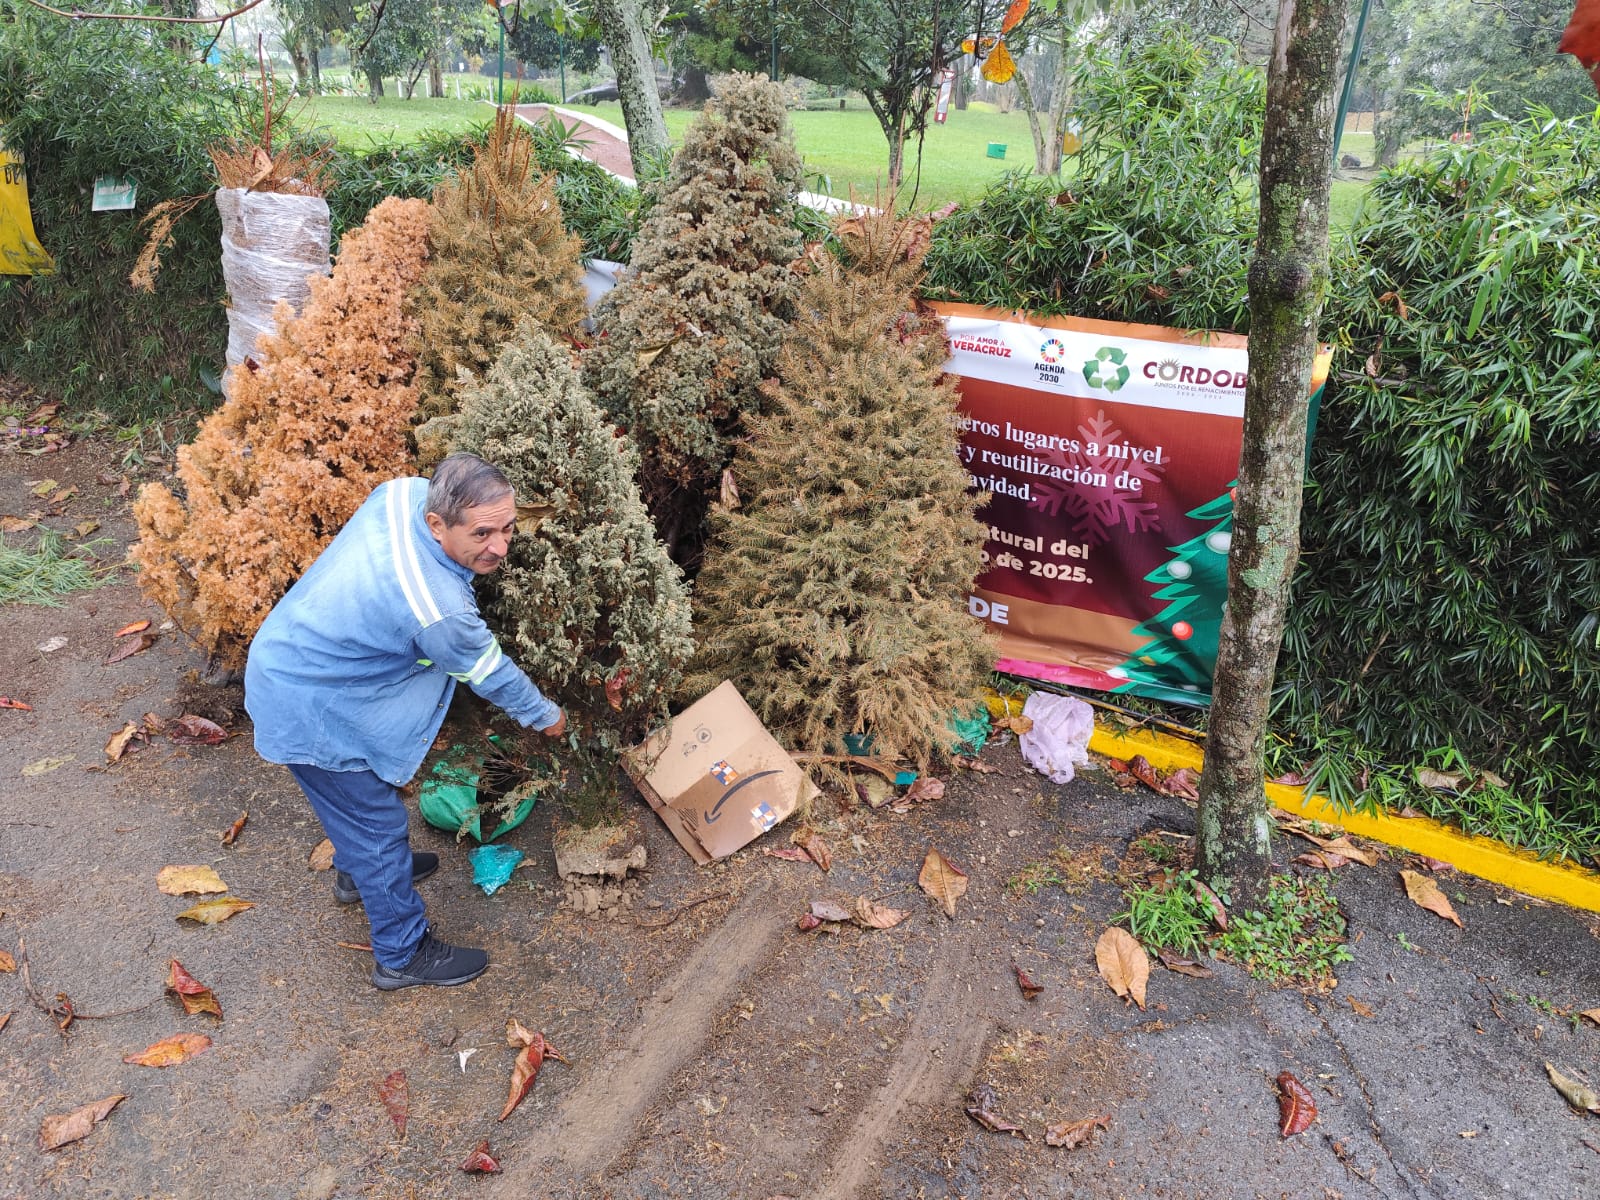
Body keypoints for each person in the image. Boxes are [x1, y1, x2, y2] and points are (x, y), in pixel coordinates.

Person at [245, 453, 565, 990]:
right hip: (309, 706)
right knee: (377, 825)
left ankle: (358, 875)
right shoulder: (438, 608)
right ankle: (402, 952)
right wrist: (546, 716)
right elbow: (490, 672)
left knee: (353, 811)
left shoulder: (403, 493)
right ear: (437, 522)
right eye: (483, 533)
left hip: (290, 658)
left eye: (509, 528)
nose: (500, 547)